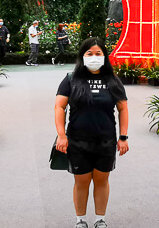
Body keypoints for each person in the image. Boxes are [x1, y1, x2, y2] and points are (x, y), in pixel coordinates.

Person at [55, 38, 129, 228]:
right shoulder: (71, 79)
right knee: (81, 181)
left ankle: (100, 220)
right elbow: (59, 107)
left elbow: (123, 109)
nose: (94, 57)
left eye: (98, 54)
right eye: (89, 54)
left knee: (102, 180)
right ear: (82, 56)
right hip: (78, 141)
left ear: (104, 57)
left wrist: (123, 137)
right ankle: (80, 221)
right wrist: (62, 135)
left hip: (105, 141)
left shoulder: (112, 81)